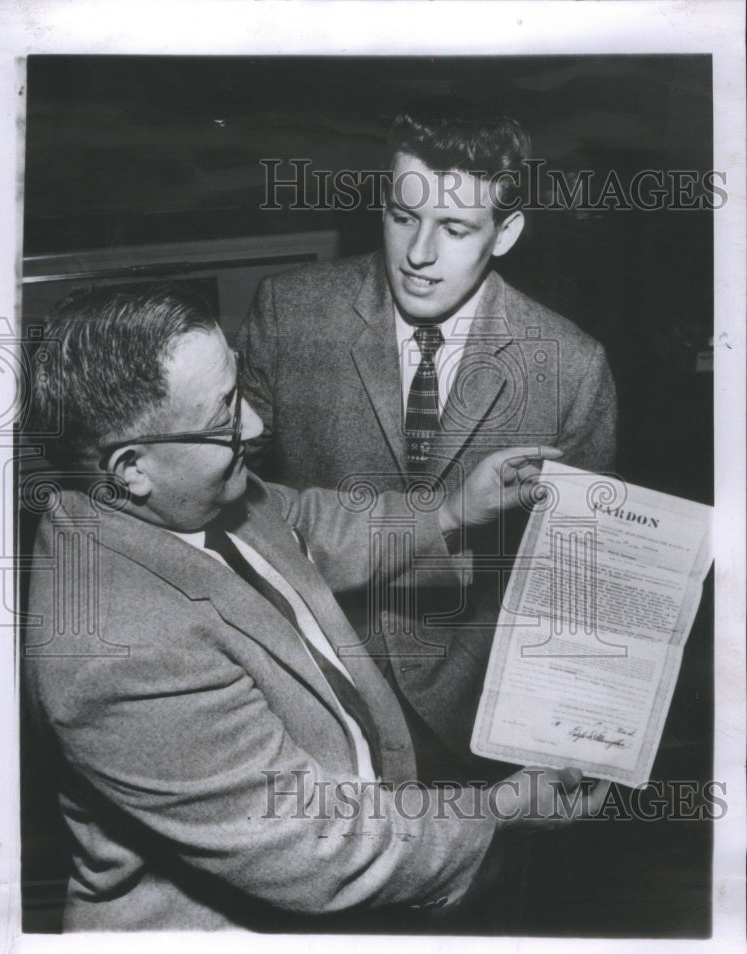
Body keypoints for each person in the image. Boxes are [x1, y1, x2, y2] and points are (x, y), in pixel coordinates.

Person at [22, 283, 605, 933]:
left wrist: (450, 511)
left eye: (239, 391)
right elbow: (321, 849)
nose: (254, 425)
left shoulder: (183, 495)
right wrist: (499, 808)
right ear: (131, 468)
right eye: (224, 416)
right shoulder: (119, 655)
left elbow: (300, 521)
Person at [236, 108, 618, 775]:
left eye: (455, 228)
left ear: (506, 233)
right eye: (402, 216)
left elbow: (577, 585)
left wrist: (567, 747)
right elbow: (226, 507)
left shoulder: (570, 365)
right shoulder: (289, 313)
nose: (417, 254)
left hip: (471, 720)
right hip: (307, 693)